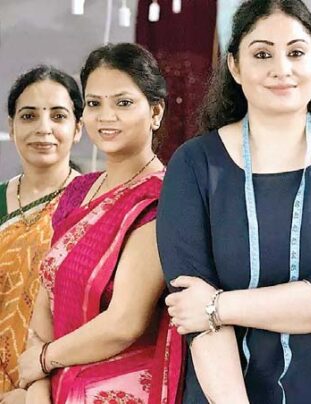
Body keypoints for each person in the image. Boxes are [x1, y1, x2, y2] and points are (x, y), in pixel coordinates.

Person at [157, 0, 311, 403]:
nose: (281, 68)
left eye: (296, 52)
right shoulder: (194, 164)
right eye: (262, 54)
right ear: (234, 66)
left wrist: (218, 306)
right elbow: (191, 309)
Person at [17, 43, 182, 403]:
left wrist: (44, 361)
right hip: (57, 375)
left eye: (123, 103)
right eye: (94, 103)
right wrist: (38, 388)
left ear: (155, 111)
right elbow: (47, 298)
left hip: (118, 386)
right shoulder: (78, 191)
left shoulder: (162, 199)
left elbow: (124, 323)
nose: (106, 116)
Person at [0, 66, 82, 403]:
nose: (43, 128)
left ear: (78, 128)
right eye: (29, 116)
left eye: (58, 116)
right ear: (11, 127)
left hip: (53, 384)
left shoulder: (93, 205)